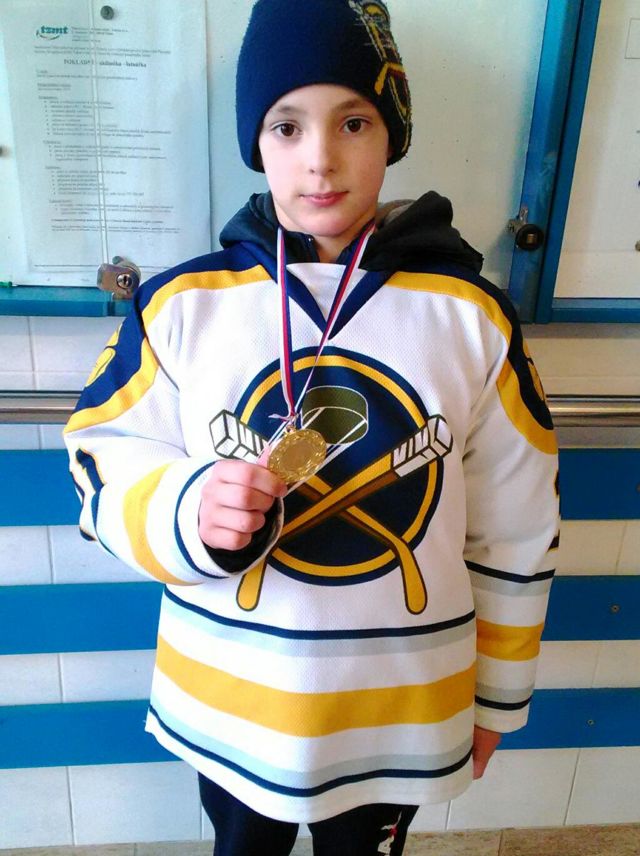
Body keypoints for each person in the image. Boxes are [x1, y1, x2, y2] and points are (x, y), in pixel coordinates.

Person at [64, 1, 560, 854]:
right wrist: (186, 510)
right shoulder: (180, 306)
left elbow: (517, 525)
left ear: (392, 134)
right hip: (231, 699)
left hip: (399, 708)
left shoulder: (472, 317)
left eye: (354, 122)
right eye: (287, 126)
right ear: (255, 142)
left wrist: (495, 700)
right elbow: (101, 457)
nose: (320, 158)